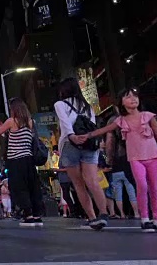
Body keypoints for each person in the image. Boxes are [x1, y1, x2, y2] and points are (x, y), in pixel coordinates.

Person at [84, 88, 157, 232]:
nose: (133, 99)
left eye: (135, 96)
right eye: (128, 97)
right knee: (142, 185)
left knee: (154, 188)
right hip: (135, 158)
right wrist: (88, 135)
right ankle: (145, 218)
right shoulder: (121, 120)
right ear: (121, 102)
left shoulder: (148, 116)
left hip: (153, 156)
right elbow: (105, 129)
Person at [54, 78, 108, 230]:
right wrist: (87, 137)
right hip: (89, 143)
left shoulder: (60, 104)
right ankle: (103, 213)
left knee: (78, 184)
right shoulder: (87, 106)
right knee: (92, 180)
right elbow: (90, 124)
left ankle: (91, 217)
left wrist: (72, 136)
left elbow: (65, 123)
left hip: (69, 144)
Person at [0, 98, 44, 226]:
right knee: (32, 187)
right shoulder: (31, 122)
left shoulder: (12, 121)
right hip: (29, 159)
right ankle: (36, 215)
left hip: (16, 160)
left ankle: (28, 215)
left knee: (20, 187)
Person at [104, 106, 139, 219]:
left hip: (117, 162)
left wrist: (109, 160)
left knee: (117, 192)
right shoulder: (135, 117)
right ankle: (137, 213)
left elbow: (109, 143)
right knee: (132, 189)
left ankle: (122, 214)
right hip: (131, 158)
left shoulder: (112, 121)